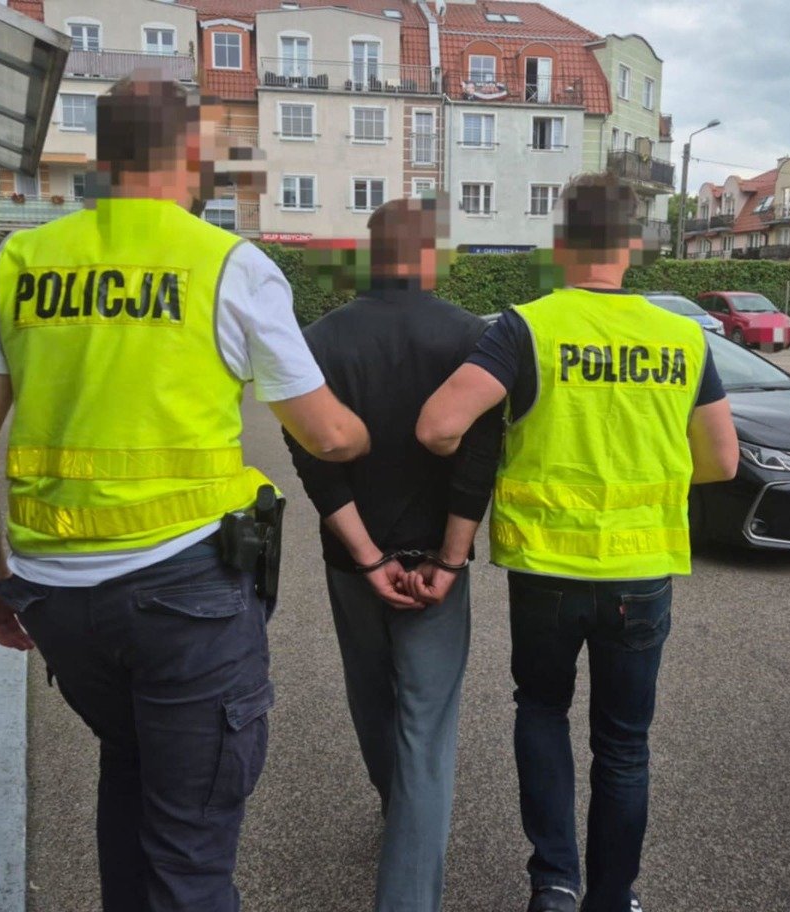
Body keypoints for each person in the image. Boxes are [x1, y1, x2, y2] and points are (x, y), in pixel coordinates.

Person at [0, 75, 369, 912]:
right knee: (190, 854)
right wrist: (366, 433)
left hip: (56, 596)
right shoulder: (228, 263)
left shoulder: (21, 260)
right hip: (186, 598)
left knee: (129, 772)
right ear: (192, 153)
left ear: (106, 156)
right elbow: (325, 435)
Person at [416, 173, 740, 912]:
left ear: (561, 244)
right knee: (623, 746)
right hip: (640, 575)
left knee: (542, 712)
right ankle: (613, 897)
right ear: (635, 246)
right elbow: (722, 462)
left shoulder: (526, 328)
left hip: (546, 573)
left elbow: (437, 427)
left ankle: (555, 885)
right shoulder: (684, 337)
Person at [283, 195, 502, 912]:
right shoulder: (475, 339)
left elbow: (316, 461)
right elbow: (477, 463)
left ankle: (394, 805)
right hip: (438, 562)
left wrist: (370, 558)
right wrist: (450, 560)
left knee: (372, 695)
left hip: (354, 564)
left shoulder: (317, 341)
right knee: (426, 726)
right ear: (432, 256)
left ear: (369, 257)